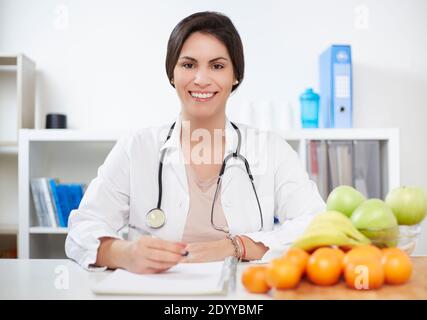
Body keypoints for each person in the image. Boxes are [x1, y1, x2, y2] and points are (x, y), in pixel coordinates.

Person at [65, 11, 325, 274]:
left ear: (236, 75)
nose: (201, 79)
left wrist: (237, 246)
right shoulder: (137, 148)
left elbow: (317, 223)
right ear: (172, 74)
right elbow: (82, 227)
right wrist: (123, 253)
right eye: (188, 65)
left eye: (217, 66)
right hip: (157, 293)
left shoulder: (271, 149)